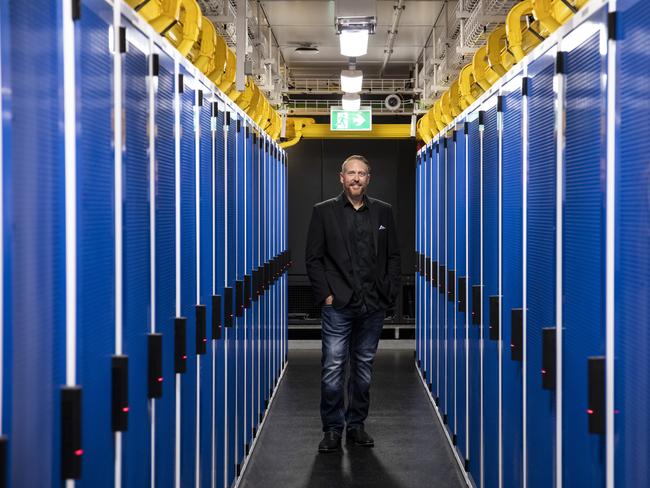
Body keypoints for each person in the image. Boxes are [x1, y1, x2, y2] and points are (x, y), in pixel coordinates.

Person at [305, 154, 401, 453]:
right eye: (351, 173)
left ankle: (356, 425)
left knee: (363, 369)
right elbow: (313, 259)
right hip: (339, 305)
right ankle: (332, 429)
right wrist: (327, 296)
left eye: (362, 173)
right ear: (341, 177)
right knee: (333, 368)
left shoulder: (383, 212)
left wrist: (390, 294)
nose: (356, 178)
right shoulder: (324, 212)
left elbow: (394, 257)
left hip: (372, 306)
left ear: (368, 178)